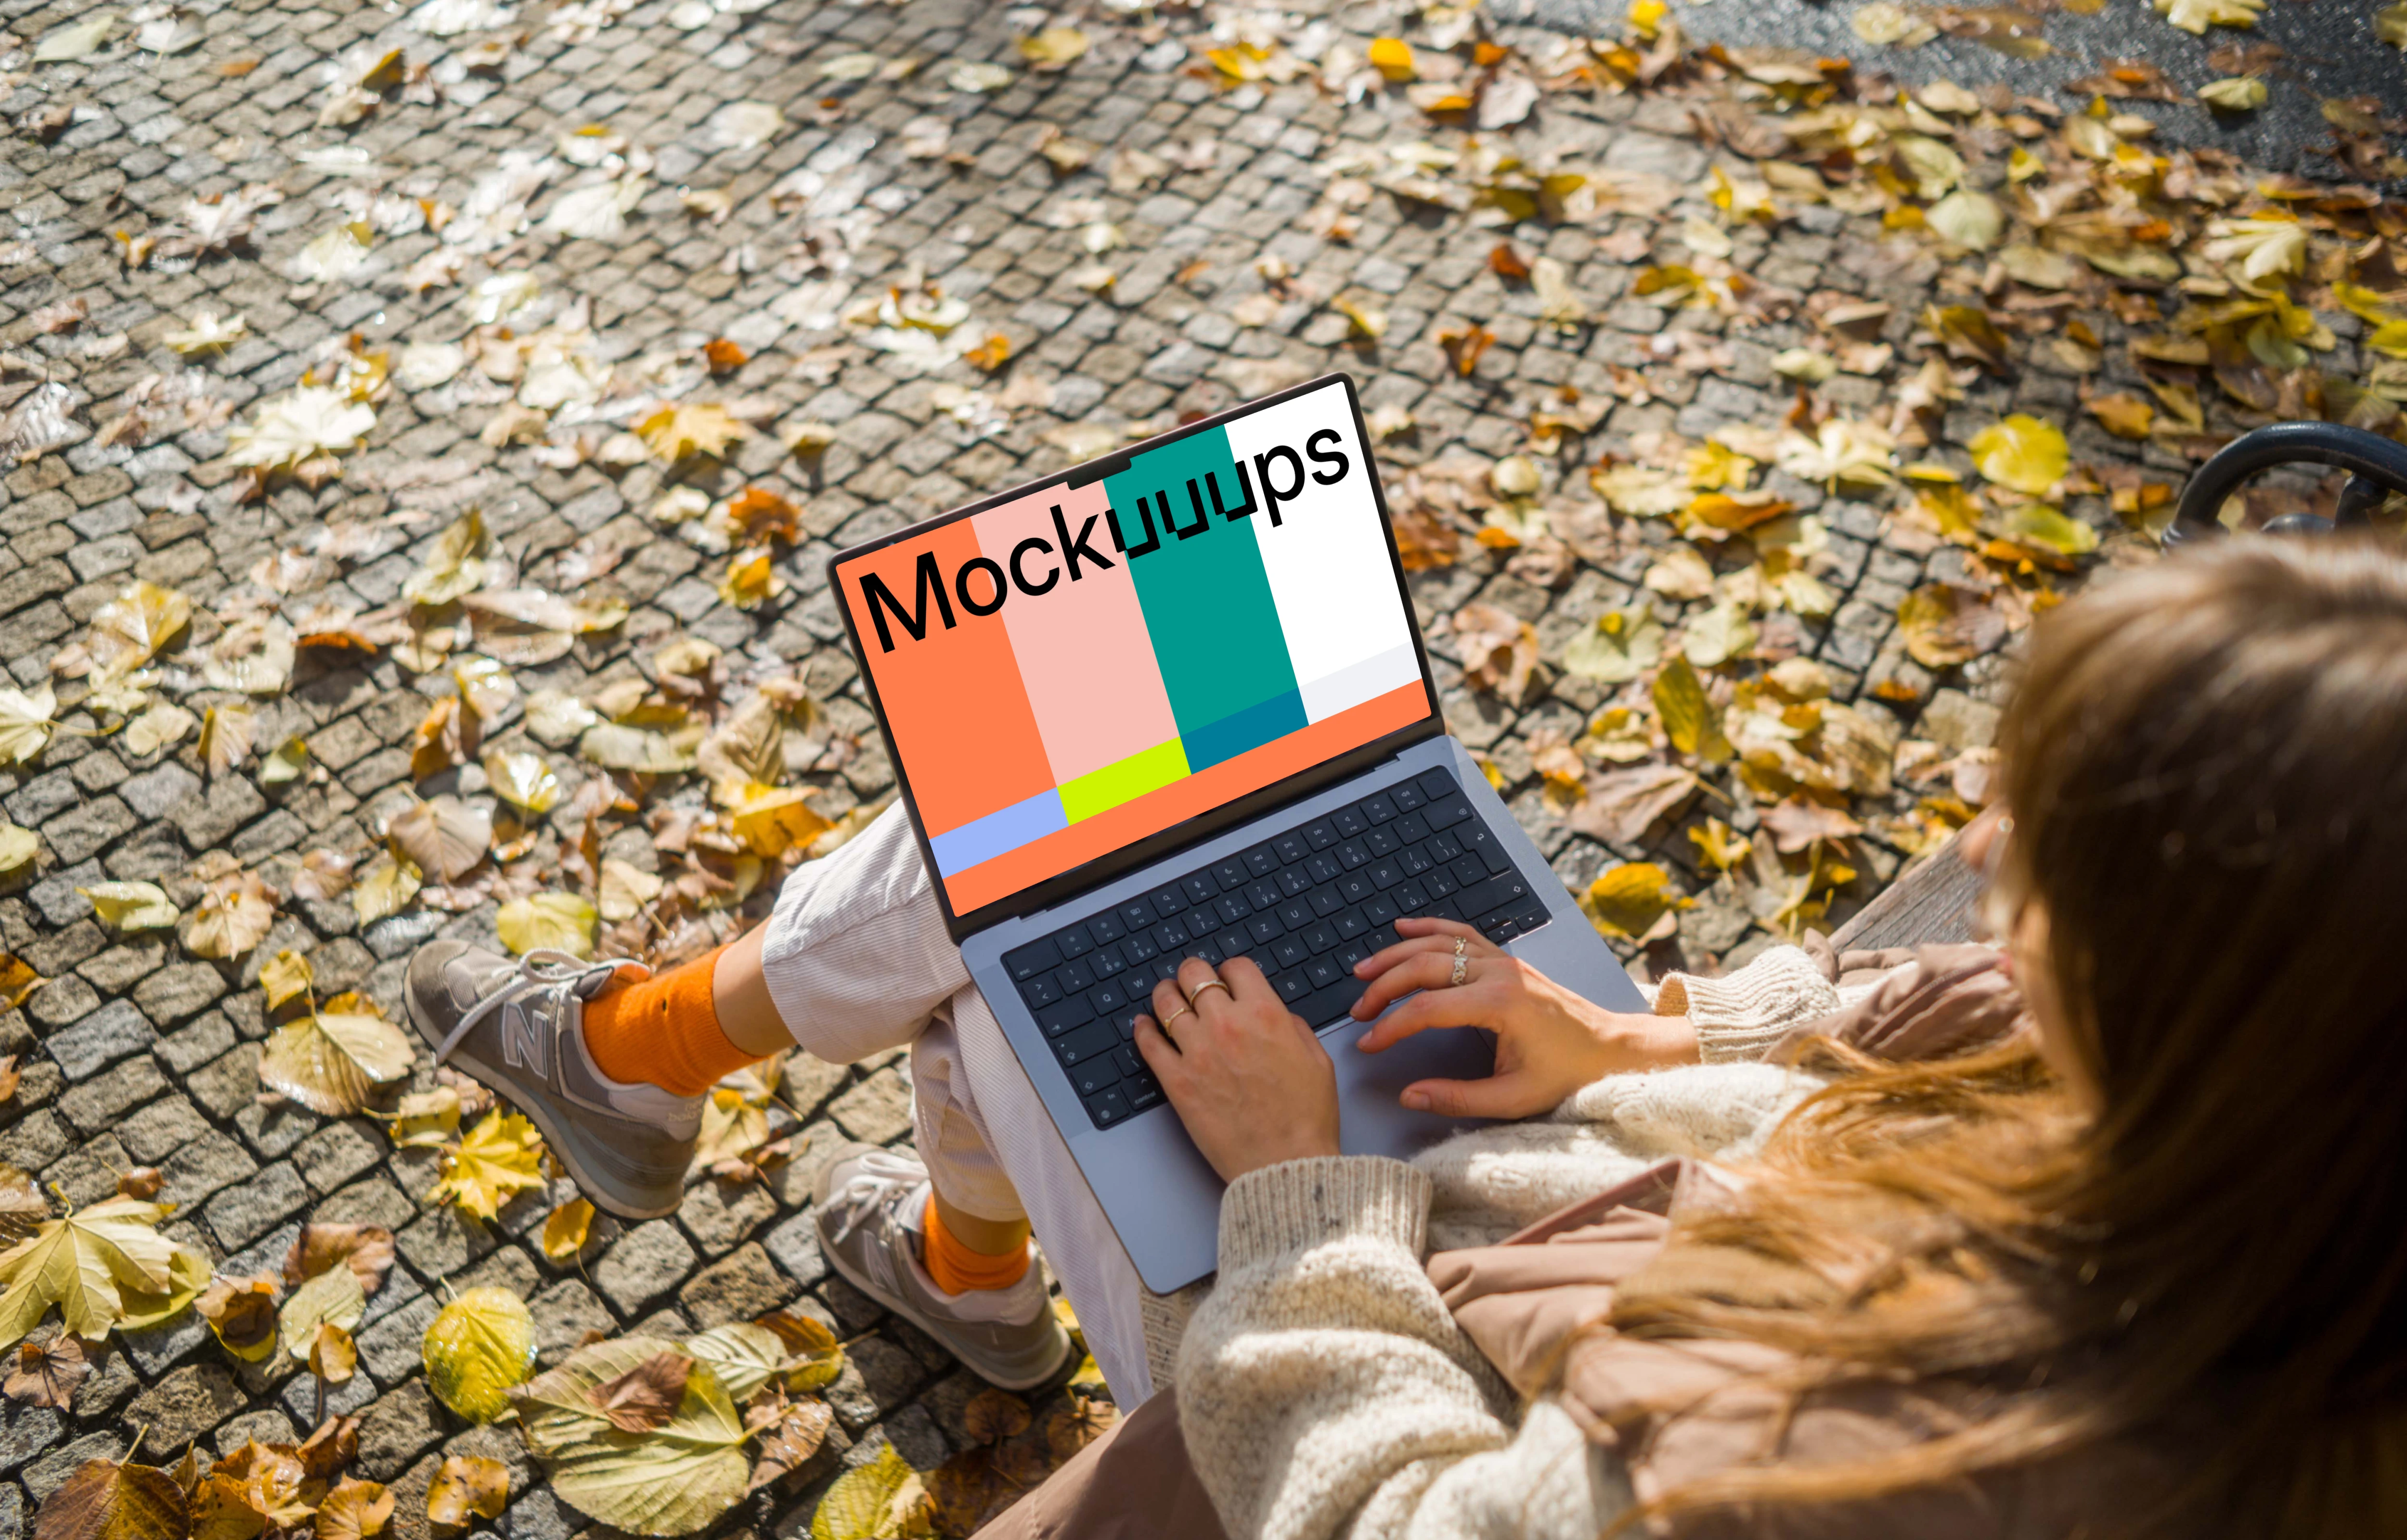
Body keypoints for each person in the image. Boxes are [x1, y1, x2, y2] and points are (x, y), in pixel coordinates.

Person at [409, 536, 2407, 1537]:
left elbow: (1388, 1507)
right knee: (1062, 859)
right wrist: (1613, 1042)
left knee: (1011, 884)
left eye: (2042, 843)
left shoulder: (1851, 1470)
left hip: (1333, 1323)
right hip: (1528, 1142)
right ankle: (921, 1247)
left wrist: (1293, 1184)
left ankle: (656, 1062)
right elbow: (1900, 1021)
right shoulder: (2300, 1158)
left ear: (2207, 1005)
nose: (1974, 837)